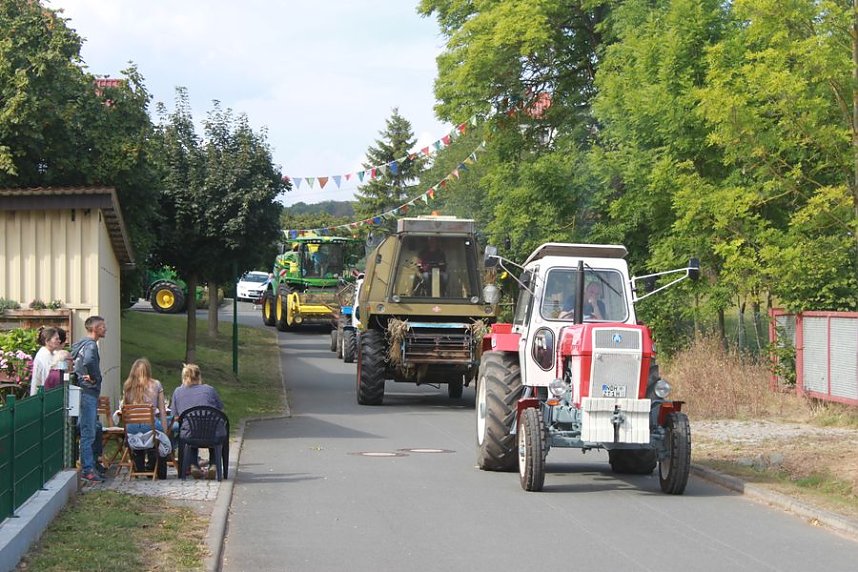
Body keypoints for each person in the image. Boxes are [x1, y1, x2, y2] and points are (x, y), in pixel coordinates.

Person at [171, 363, 225, 478]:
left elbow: (175, 416)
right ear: (199, 376)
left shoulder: (178, 392)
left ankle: (193, 465)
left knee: (190, 431)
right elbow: (220, 408)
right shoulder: (210, 390)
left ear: (184, 377)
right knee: (211, 428)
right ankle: (214, 464)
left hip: (190, 434)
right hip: (213, 433)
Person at [71, 315, 108, 483]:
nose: (105, 329)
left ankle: (91, 465)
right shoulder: (91, 346)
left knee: (89, 428)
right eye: (102, 326)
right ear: (95, 328)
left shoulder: (79, 345)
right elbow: (89, 360)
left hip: (80, 392)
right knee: (89, 432)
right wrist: (95, 377)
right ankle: (87, 469)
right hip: (88, 393)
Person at [122, 357, 171, 477]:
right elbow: (162, 411)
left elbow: (124, 409)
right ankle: (153, 465)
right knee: (157, 437)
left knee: (140, 432)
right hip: (150, 427)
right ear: (148, 370)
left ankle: (139, 466)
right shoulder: (156, 385)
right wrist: (164, 432)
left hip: (132, 428)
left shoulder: (127, 386)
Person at [29, 326, 62, 396]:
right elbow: (49, 376)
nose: (59, 341)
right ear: (47, 341)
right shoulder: (44, 355)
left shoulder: (53, 353)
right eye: (56, 339)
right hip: (43, 394)